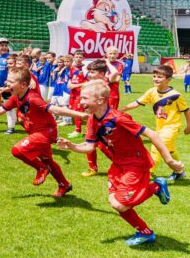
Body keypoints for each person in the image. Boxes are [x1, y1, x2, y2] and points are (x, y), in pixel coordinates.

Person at [58, 79, 184, 246]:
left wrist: (169, 160)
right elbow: (89, 147)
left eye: (85, 98)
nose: (80, 102)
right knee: (114, 202)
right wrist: (72, 146)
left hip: (135, 164)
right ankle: (145, 233)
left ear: (100, 100)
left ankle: (155, 187)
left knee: (120, 204)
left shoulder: (118, 119)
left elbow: (152, 134)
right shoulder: (92, 120)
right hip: (118, 165)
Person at [0, 67, 79, 197]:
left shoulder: (33, 98)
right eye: (7, 81)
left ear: (23, 85)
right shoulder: (16, 97)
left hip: (46, 132)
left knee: (17, 150)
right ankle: (64, 185)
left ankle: (41, 168)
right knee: (47, 160)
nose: (7, 84)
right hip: (36, 131)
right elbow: (1, 109)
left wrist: (80, 115)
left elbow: (55, 110)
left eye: (10, 81)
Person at [122, 65, 189, 180]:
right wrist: (121, 110)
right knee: (170, 150)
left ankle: (146, 173)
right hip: (160, 127)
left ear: (168, 79)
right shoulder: (151, 92)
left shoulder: (175, 95)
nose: (155, 79)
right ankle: (179, 172)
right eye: (154, 76)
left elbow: (186, 110)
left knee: (157, 147)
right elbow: (137, 102)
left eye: (159, 77)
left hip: (172, 127)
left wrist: (189, 126)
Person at [82, 59, 121, 177]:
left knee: (105, 145)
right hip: (93, 118)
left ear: (102, 74)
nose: (89, 74)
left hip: (107, 119)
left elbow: (114, 73)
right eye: (90, 72)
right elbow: (84, 70)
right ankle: (92, 168)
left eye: (93, 72)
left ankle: (121, 165)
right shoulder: (90, 83)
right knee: (89, 141)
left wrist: (107, 62)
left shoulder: (106, 82)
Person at [66, 50, 87, 139]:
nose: (78, 59)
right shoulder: (72, 68)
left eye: (80, 57)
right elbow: (70, 80)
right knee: (73, 112)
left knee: (77, 112)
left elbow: (87, 82)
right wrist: (70, 84)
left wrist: (74, 85)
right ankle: (77, 129)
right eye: (76, 57)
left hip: (80, 94)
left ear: (83, 58)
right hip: (73, 93)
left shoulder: (85, 68)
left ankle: (78, 131)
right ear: (74, 57)